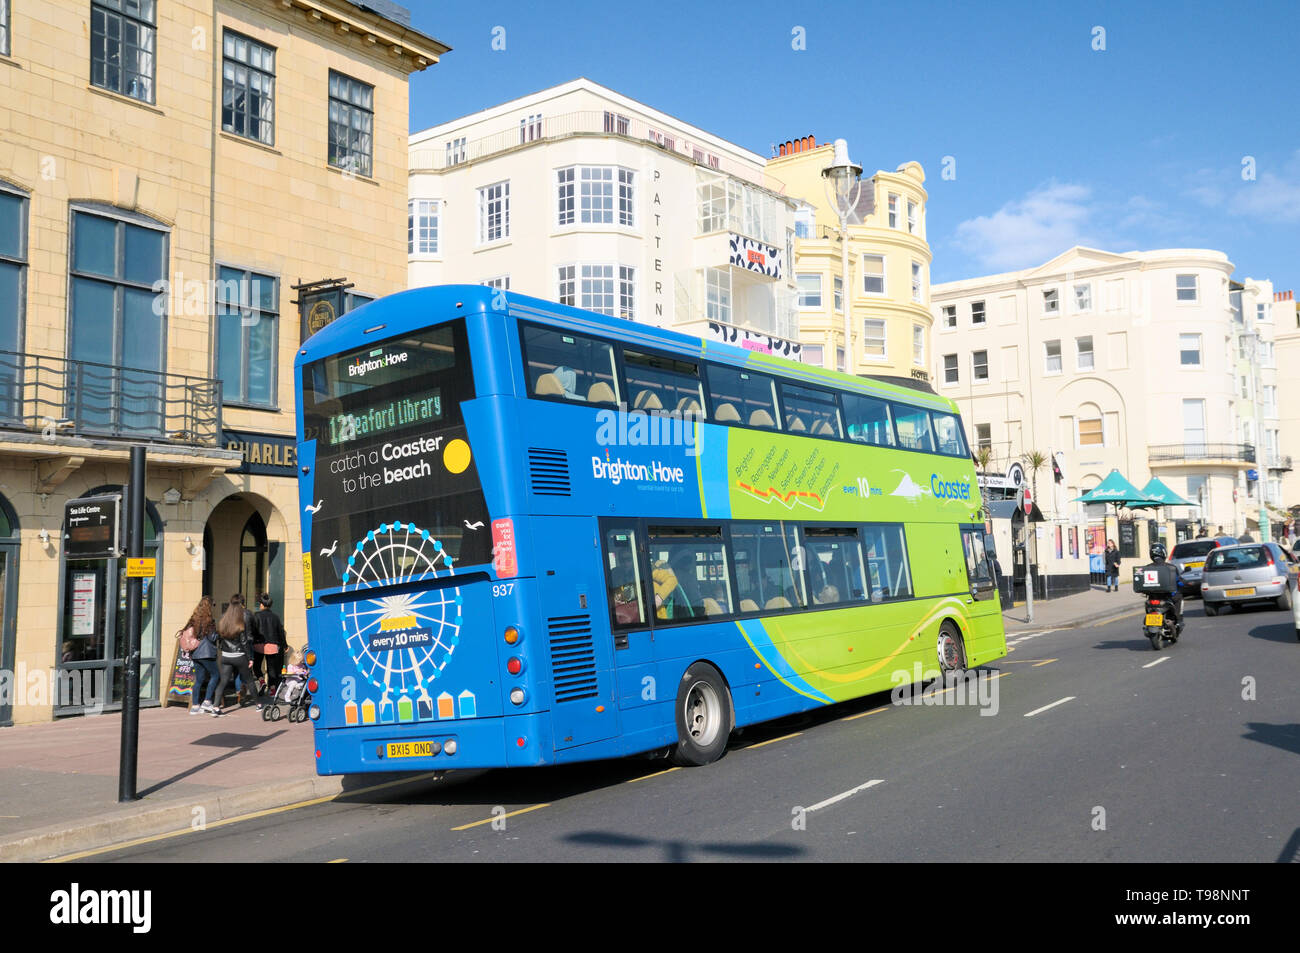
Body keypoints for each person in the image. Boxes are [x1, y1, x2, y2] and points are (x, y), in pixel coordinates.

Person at [211, 597, 262, 716]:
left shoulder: (223, 622)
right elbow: (244, 642)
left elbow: (219, 638)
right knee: (249, 680)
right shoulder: (240, 623)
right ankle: (258, 704)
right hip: (239, 655)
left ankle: (215, 707)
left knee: (223, 681)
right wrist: (250, 658)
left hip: (225, 655)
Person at [185, 596, 220, 714]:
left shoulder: (193, 619)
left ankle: (195, 706)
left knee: (199, 679)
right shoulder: (209, 621)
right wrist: (218, 632)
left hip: (195, 653)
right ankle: (207, 701)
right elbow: (212, 637)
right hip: (206, 653)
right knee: (215, 675)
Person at [1141, 543, 1184, 633]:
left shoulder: (1146, 568)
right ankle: (1178, 620)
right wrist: (1183, 583)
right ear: (1163, 553)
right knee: (1179, 597)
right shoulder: (1171, 567)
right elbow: (1179, 581)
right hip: (1168, 597)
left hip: (1153, 598)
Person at [251, 593, 288, 697]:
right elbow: (280, 632)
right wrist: (285, 645)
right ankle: (272, 690)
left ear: (262, 604)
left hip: (259, 645)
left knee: (257, 666)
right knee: (272, 668)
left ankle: (262, 682)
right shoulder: (275, 617)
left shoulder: (256, 615)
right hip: (272, 645)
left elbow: (253, 630)